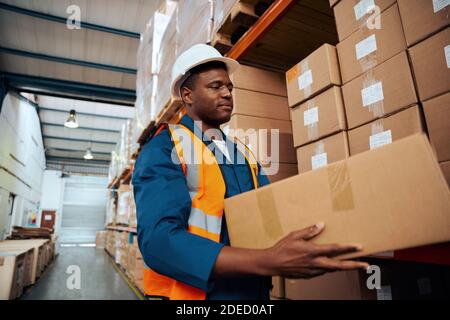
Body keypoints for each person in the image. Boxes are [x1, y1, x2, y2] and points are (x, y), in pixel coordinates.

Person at [132, 44, 369, 300]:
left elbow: (270, 211)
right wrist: (268, 261)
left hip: (252, 291)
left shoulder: (241, 152)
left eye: (230, 87)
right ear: (187, 95)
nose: (227, 94)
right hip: (201, 296)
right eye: (215, 86)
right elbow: (158, 243)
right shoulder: (165, 148)